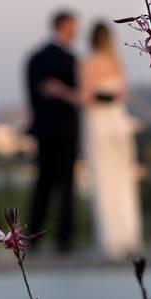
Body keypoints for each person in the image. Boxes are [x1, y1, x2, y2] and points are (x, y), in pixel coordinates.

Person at [43, 22, 143, 260]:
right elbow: (120, 96)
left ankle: (110, 240)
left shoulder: (87, 63)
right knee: (122, 181)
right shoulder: (116, 63)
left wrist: (58, 90)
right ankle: (129, 237)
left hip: (98, 125)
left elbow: (85, 97)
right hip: (118, 124)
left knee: (103, 180)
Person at [26, 10, 79, 253]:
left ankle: (34, 237)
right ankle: (63, 241)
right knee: (66, 187)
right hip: (65, 131)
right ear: (63, 26)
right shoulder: (69, 59)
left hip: (43, 130)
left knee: (43, 185)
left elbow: (32, 97)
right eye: (73, 26)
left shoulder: (34, 58)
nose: (76, 31)